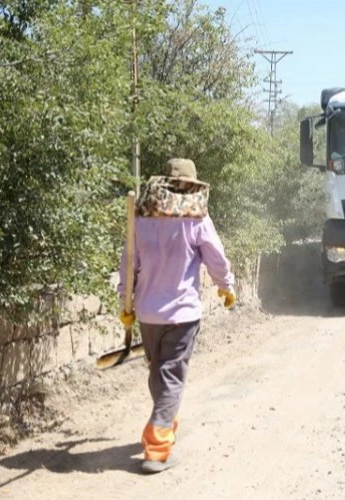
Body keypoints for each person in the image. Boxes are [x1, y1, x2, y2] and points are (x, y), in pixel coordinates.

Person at [117, 158, 236, 474]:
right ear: (192, 185)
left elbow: (129, 263)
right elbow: (217, 258)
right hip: (182, 313)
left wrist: (125, 304)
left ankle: (164, 420)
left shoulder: (142, 218)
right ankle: (157, 447)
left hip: (148, 313)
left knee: (159, 371)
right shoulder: (197, 218)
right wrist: (226, 286)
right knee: (171, 376)